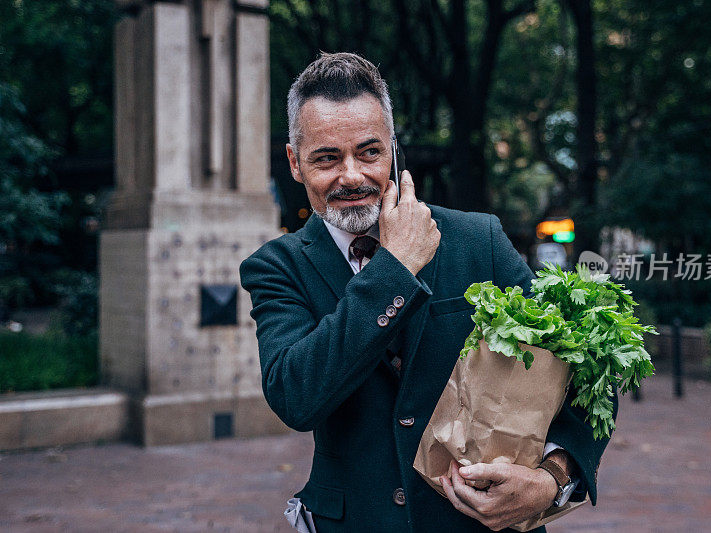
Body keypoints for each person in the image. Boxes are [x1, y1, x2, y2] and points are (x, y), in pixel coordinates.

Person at [240, 52, 615, 533]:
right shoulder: (277, 267)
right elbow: (296, 397)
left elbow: (589, 369)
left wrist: (550, 479)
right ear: (295, 162)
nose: (352, 176)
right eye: (327, 158)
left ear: (393, 150)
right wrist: (395, 268)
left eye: (369, 152)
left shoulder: (480, 240)